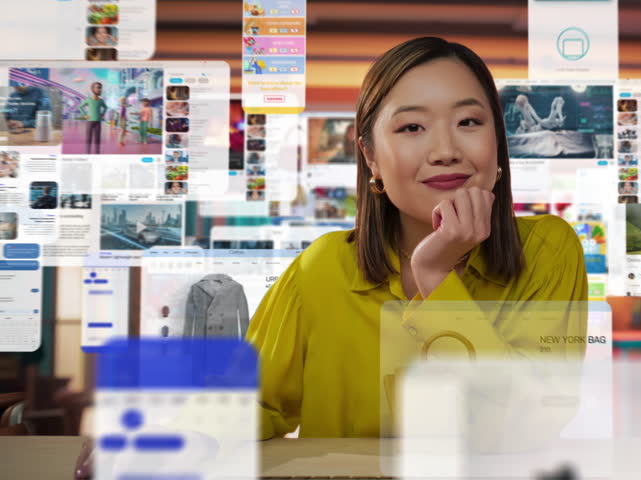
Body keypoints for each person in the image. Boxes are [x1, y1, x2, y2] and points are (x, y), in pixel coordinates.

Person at [74, 36, 589, 477]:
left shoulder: (546, 251)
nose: (445, 150)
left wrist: (435, 277)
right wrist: (175, 434)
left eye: (469, 122)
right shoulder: (322, 268)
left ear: (498, 144)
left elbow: (526, 425)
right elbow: (254, 399)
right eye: (412, 128)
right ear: (370, 158)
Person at [78, 82, 107, 154]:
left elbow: (106, 107)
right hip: (90, 122)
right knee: (88, 138)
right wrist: (84, 115)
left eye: (100, 88)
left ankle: (97, 153)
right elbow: (80, 107)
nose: (100, 89)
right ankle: (87, 152)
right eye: (98, 87)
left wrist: (102, 114)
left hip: (98, 122)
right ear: (93, 89)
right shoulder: (89, 100)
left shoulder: (101, 101)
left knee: (97, 139)